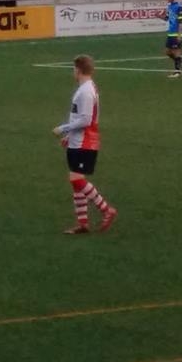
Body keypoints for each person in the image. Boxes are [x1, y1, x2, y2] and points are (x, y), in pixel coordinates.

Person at [52, 55, 117, 235]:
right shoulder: (85, 88)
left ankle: (106, 210)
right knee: (76, 182)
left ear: (79, 70)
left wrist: (63, 129)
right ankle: (83, 223)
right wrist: (69, 135)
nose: (73, 72)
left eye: (74, 69)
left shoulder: (86, 91)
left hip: (85, 141)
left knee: (77, 179)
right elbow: (78, 116)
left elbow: (86, 120)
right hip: (77, 140)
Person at [162, 0, 182, 79]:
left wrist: (179, 34)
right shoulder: (169, 7)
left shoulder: (179, 7)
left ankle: (177, 72)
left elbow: (180, 22)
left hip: (176, 33)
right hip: (170, 33)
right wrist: (159, 16)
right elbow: (166, 19)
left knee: (176, 52)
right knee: (167, 52)